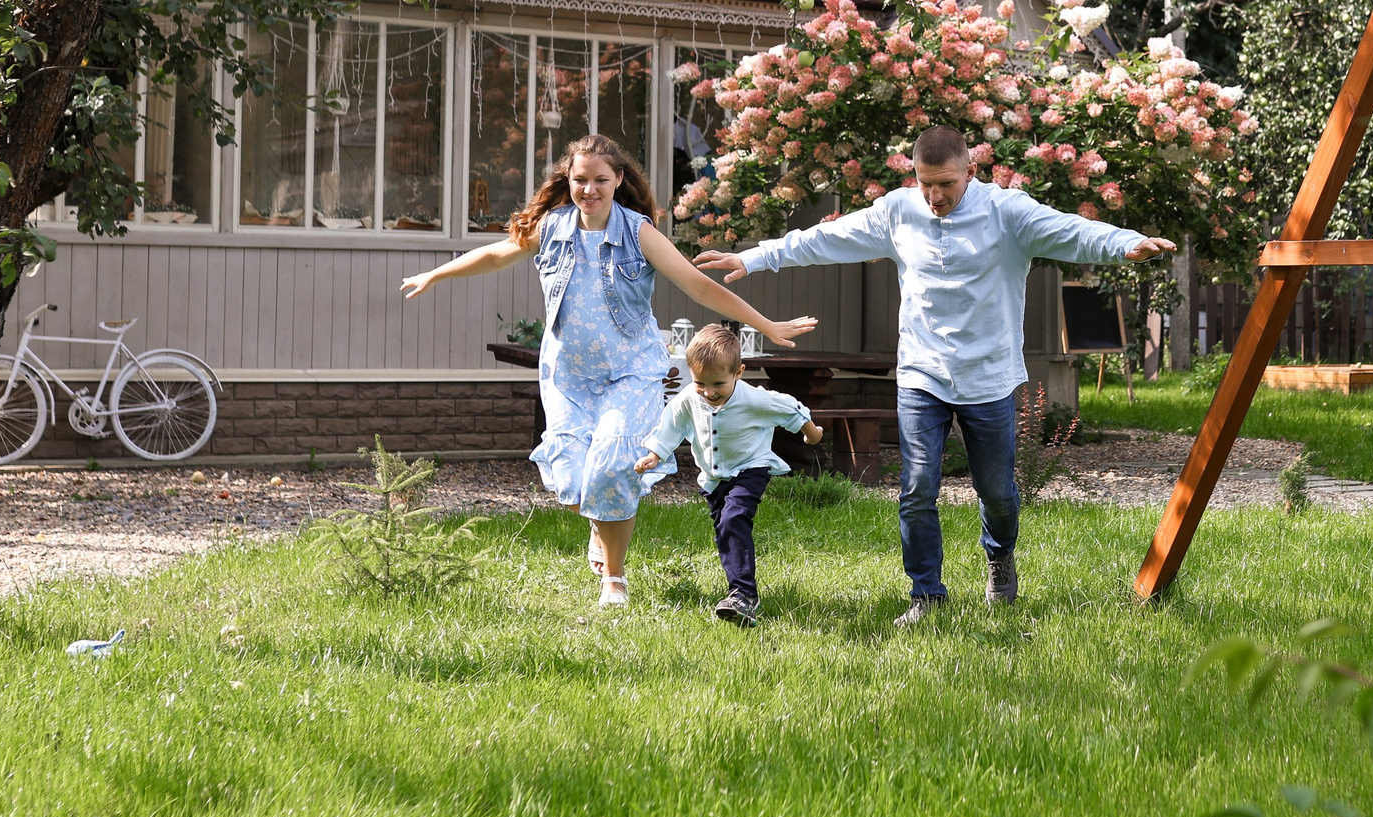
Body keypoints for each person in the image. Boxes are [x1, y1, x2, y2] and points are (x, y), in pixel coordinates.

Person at [699, 125, 1176, 624]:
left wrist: (1126, 244)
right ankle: (925, 593)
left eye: (946, 184)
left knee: (996, 491)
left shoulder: (1007, 213)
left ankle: (999, 556)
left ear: (971, 171)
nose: (935, 196)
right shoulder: (899, 212)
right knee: (918, 485)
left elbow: (1072, 231)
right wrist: (753, 258)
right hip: (922, 374)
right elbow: (825, 239)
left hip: (988, 377)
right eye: (926, 183)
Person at [400, 134, 817, 609]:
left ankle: (613, 580)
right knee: (576, 483)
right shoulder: (553, 226)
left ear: (618, 180)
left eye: (601, 180)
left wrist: (764, 324)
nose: (590, 190)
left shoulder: (639, 233)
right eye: (580, 180)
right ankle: (600, 525)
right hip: (568, 377)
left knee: (614, 466)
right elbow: (498, 253)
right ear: (568, 180)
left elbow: (699, 286)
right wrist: (437, 273)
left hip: (630, 373)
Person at [634, 323, 826, 628]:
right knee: (726, 529)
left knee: (733, 518)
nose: (708, 392)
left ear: (739, 372)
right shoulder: (690, 397)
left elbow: (792, 409)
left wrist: (812, 435)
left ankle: (743, 596)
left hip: (751, 468)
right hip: (713, 478)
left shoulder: (753, 399)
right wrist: (654, 454)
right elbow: (671, 422)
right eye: (700, 383)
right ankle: (740, 594)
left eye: (718, 384)